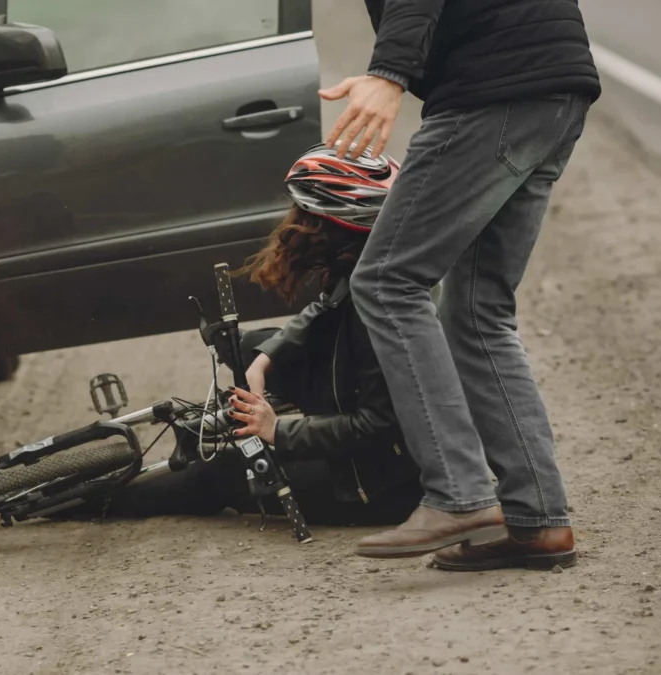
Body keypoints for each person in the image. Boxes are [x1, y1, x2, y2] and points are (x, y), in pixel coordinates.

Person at [319, 0, 601, 570]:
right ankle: (539, 520)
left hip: (493, 96)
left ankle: (459, 492)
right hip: (551, 93)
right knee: (476, 311)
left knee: (386, 280)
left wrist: (389, 73)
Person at [69, 145, 423, 527]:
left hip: (374, 484)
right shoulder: (365, 266)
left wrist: (277, 430)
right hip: (350, 390)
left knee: (224, 473)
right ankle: (275, 412)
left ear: (336, 225)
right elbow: (322, 310)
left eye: (304, 214)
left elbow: (376, 425)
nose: (292, 224)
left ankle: (91, 501)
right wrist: (264, 359)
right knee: (243, 346)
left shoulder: (381, 310)